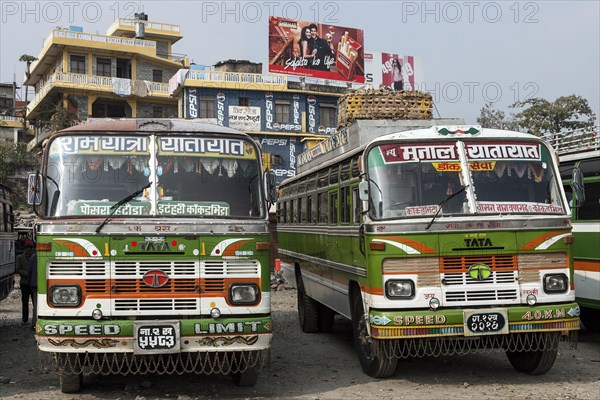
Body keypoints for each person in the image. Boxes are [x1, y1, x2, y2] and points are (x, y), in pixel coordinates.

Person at [16, 239, 35, 324]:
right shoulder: (20, 258)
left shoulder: (35, 257)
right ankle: (25, 319)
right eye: (28, 249)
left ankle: (35, 319)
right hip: (24, 283)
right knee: (25, 302)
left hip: (33, 283)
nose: (29, 250)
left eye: (31, 249)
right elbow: (18, 269)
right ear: (25, 249)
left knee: (35, 302)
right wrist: (27, 274)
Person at [28, 252, 38, 330]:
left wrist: (30, 282)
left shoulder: (33, 256)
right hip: (47, 284)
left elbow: (29, 270)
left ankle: (34, 323)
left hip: (35, 284)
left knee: (36, 305)